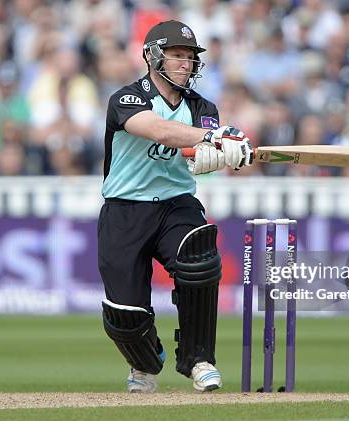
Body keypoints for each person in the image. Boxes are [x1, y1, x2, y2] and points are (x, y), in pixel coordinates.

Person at [97, 20, 253, 393]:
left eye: (189, 57)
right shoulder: (127, 98)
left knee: (199, 261)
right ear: (153, 57)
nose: (185, 63)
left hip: (176, 205)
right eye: (176, 56)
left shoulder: (202, 107)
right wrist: (213, 137)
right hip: (124, 208)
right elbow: (159, 130)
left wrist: (221, 153)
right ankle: (144, 364)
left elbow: (200, 156)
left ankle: (199, 359)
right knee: (125, 315)